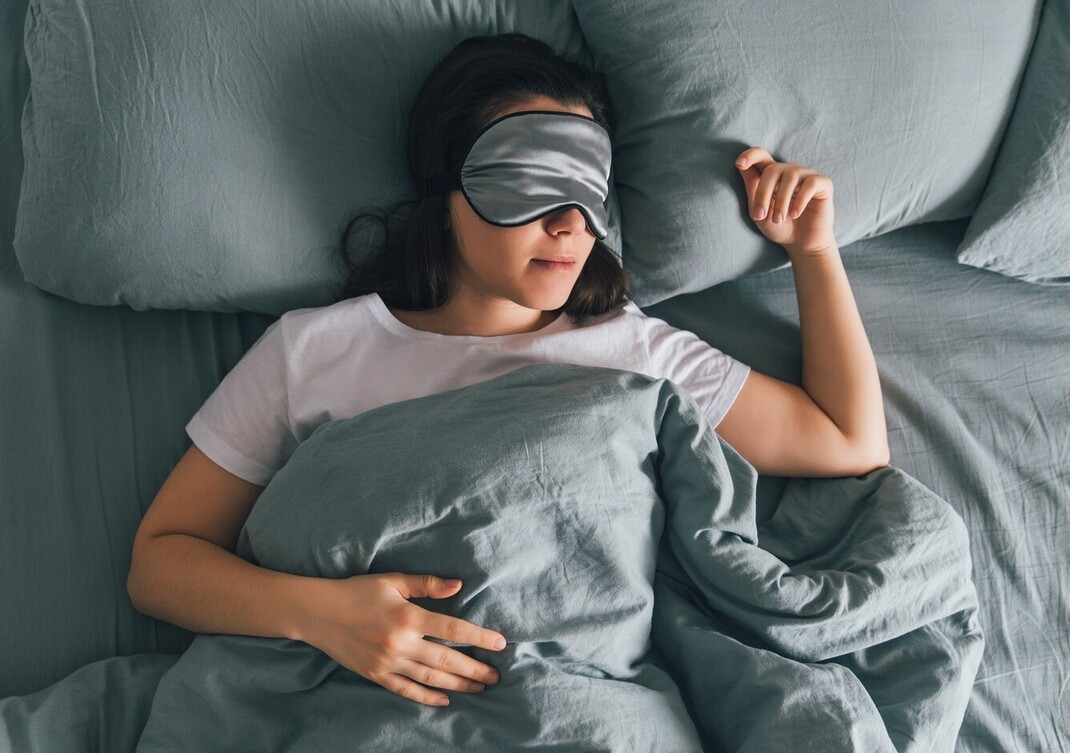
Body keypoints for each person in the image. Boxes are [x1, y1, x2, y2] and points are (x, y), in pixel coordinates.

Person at [127, 32, 889, 711]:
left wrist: (813, 251)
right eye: (531, 179)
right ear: (446, 191)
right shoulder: (311, 352)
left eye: (587, 188)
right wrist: (323, 615)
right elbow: (159, 564)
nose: (569, 223)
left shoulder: (634, 351)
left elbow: (848, 440)